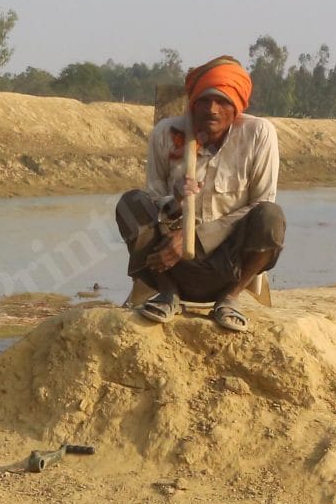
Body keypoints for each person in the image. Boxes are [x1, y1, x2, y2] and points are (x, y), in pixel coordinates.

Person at [114, 56, 287, 331]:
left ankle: (230, 299)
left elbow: (261, 202)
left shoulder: (259, 134)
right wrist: (176, 204)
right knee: (131, 203)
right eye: (204, 101)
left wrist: (196, 237)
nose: (212, 110)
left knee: (271, 216)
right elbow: (153, 200)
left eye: (222, 102)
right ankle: (168, 294)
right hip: (169, 263)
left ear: (238, 106)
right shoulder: (166, 133)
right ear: (193, 104)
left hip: (229, 266)